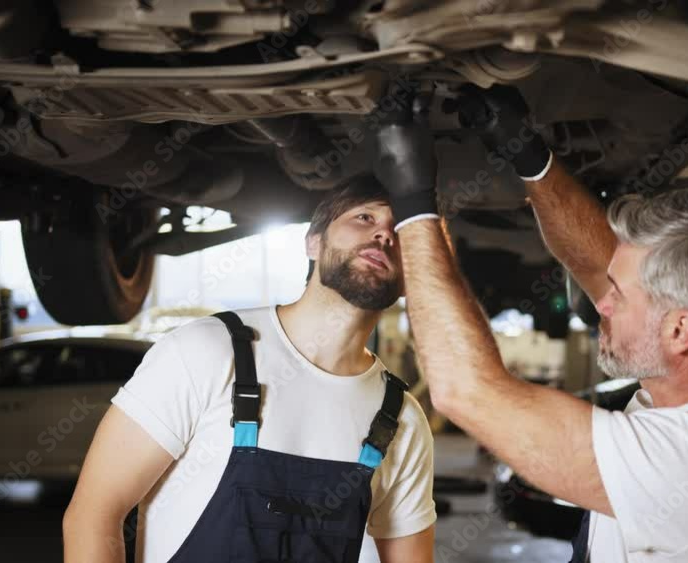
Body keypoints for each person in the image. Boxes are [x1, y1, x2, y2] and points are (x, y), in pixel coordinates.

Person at [371, 86, 688, 562]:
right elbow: (605, 268)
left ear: (682, 331)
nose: (600, 304)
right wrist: (529, 156)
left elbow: (465, 391)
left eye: (617, 298)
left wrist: (414, 205)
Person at [63, 177, 436, 563]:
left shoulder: (400, 420)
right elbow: (94, 513)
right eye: (364, 217)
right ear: (313, 241)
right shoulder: (207, 351)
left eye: (401, 229)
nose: (383, 234)